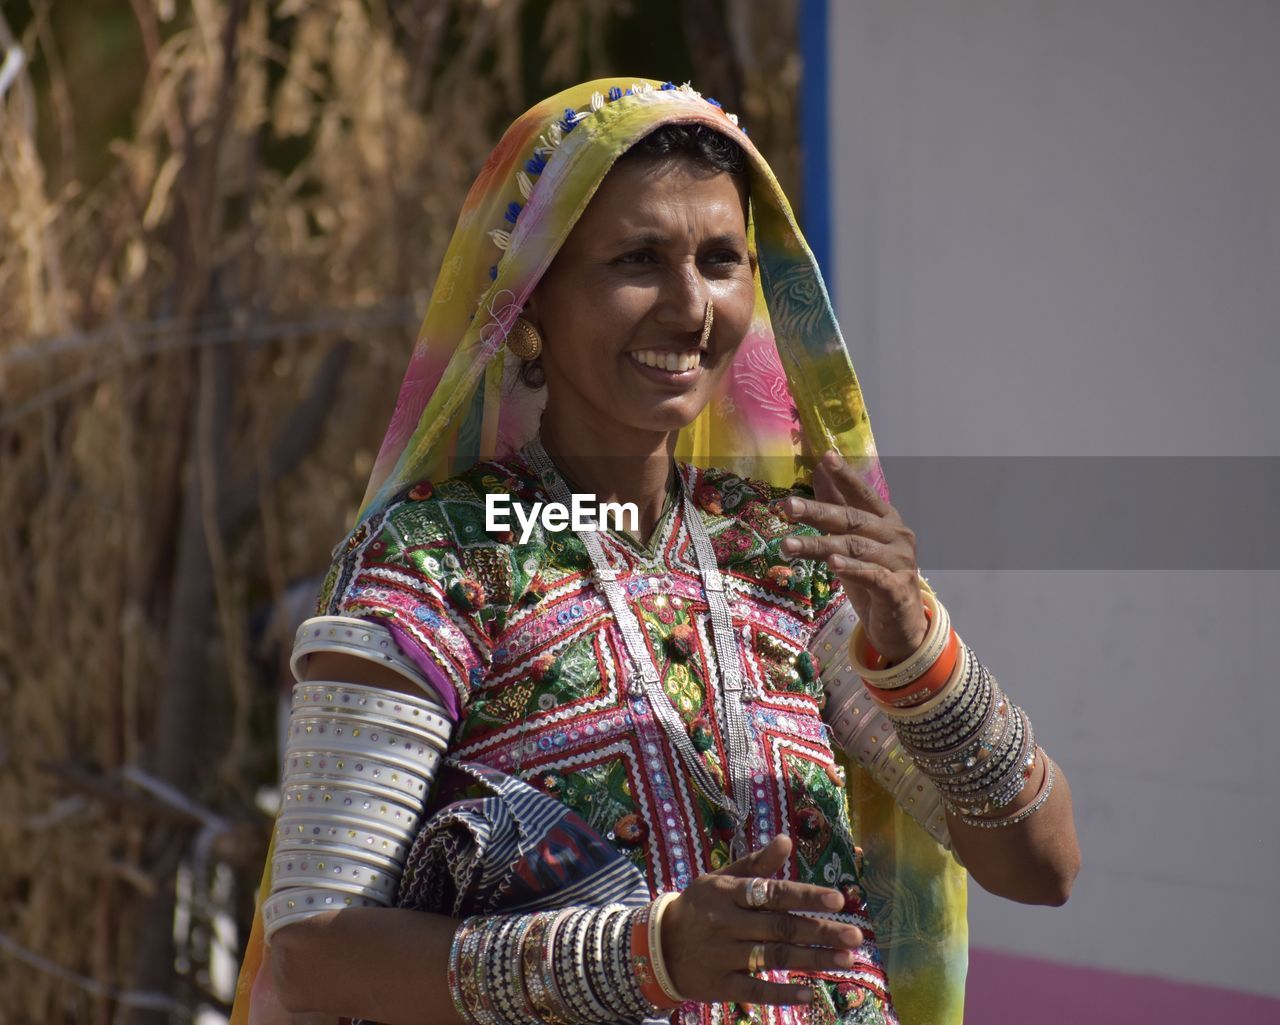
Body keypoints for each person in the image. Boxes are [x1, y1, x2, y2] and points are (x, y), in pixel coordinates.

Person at [229, 78, 1080, 1025]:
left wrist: (918, 647)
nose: (689, 307)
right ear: (532, 297)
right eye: (638, 259)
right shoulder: (436, 559)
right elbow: (313, 956)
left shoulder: (781, 551)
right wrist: (650, 955)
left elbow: (1041, 865)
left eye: (721, 261)